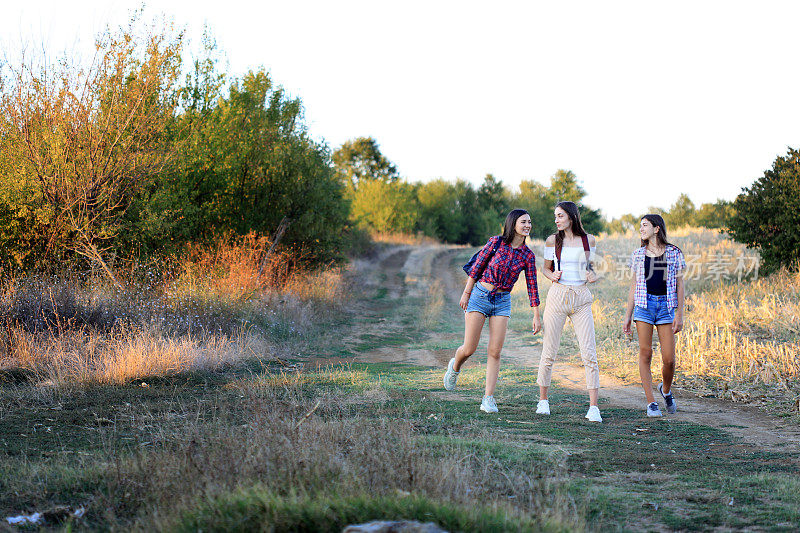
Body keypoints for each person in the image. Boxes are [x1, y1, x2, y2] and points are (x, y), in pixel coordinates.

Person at [443, 209, 541, 413]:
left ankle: (488, 398)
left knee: (495, 351)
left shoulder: (528, 255)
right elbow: (476, 267)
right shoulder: (496, 243)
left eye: (529, 222)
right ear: (513, 224)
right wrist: (466, 293)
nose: (527, 226)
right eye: (523, 222)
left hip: (502, 301)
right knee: (469, 348)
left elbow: (532, 285)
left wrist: (536, 315)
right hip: (479, 296)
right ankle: (455, 366)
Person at [536, 201, 603, 422]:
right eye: (555, 216)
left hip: (581, 298)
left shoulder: (589, 240)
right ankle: (543, 401)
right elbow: (546, 268)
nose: (556, 220)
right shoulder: (552, 240)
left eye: (560, 216)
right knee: (549, 352)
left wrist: (593, 276)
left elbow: (591, 268)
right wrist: (550, 275)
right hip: (558, 296)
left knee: (589, 353)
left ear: (571, 217)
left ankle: (593, 407)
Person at [623, 214, 685, 417]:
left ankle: (665, 390)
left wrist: (680, 314)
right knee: (646, 352)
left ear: (656, 228)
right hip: (644, 305)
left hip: (666, 307)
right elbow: (633, 286)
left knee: (669, 359)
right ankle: (651, 403)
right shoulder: (638, 254)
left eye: (645, 225)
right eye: (640, 226)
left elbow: (680, 285)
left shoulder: (674, 253)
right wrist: (627, 316)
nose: (641, 229)